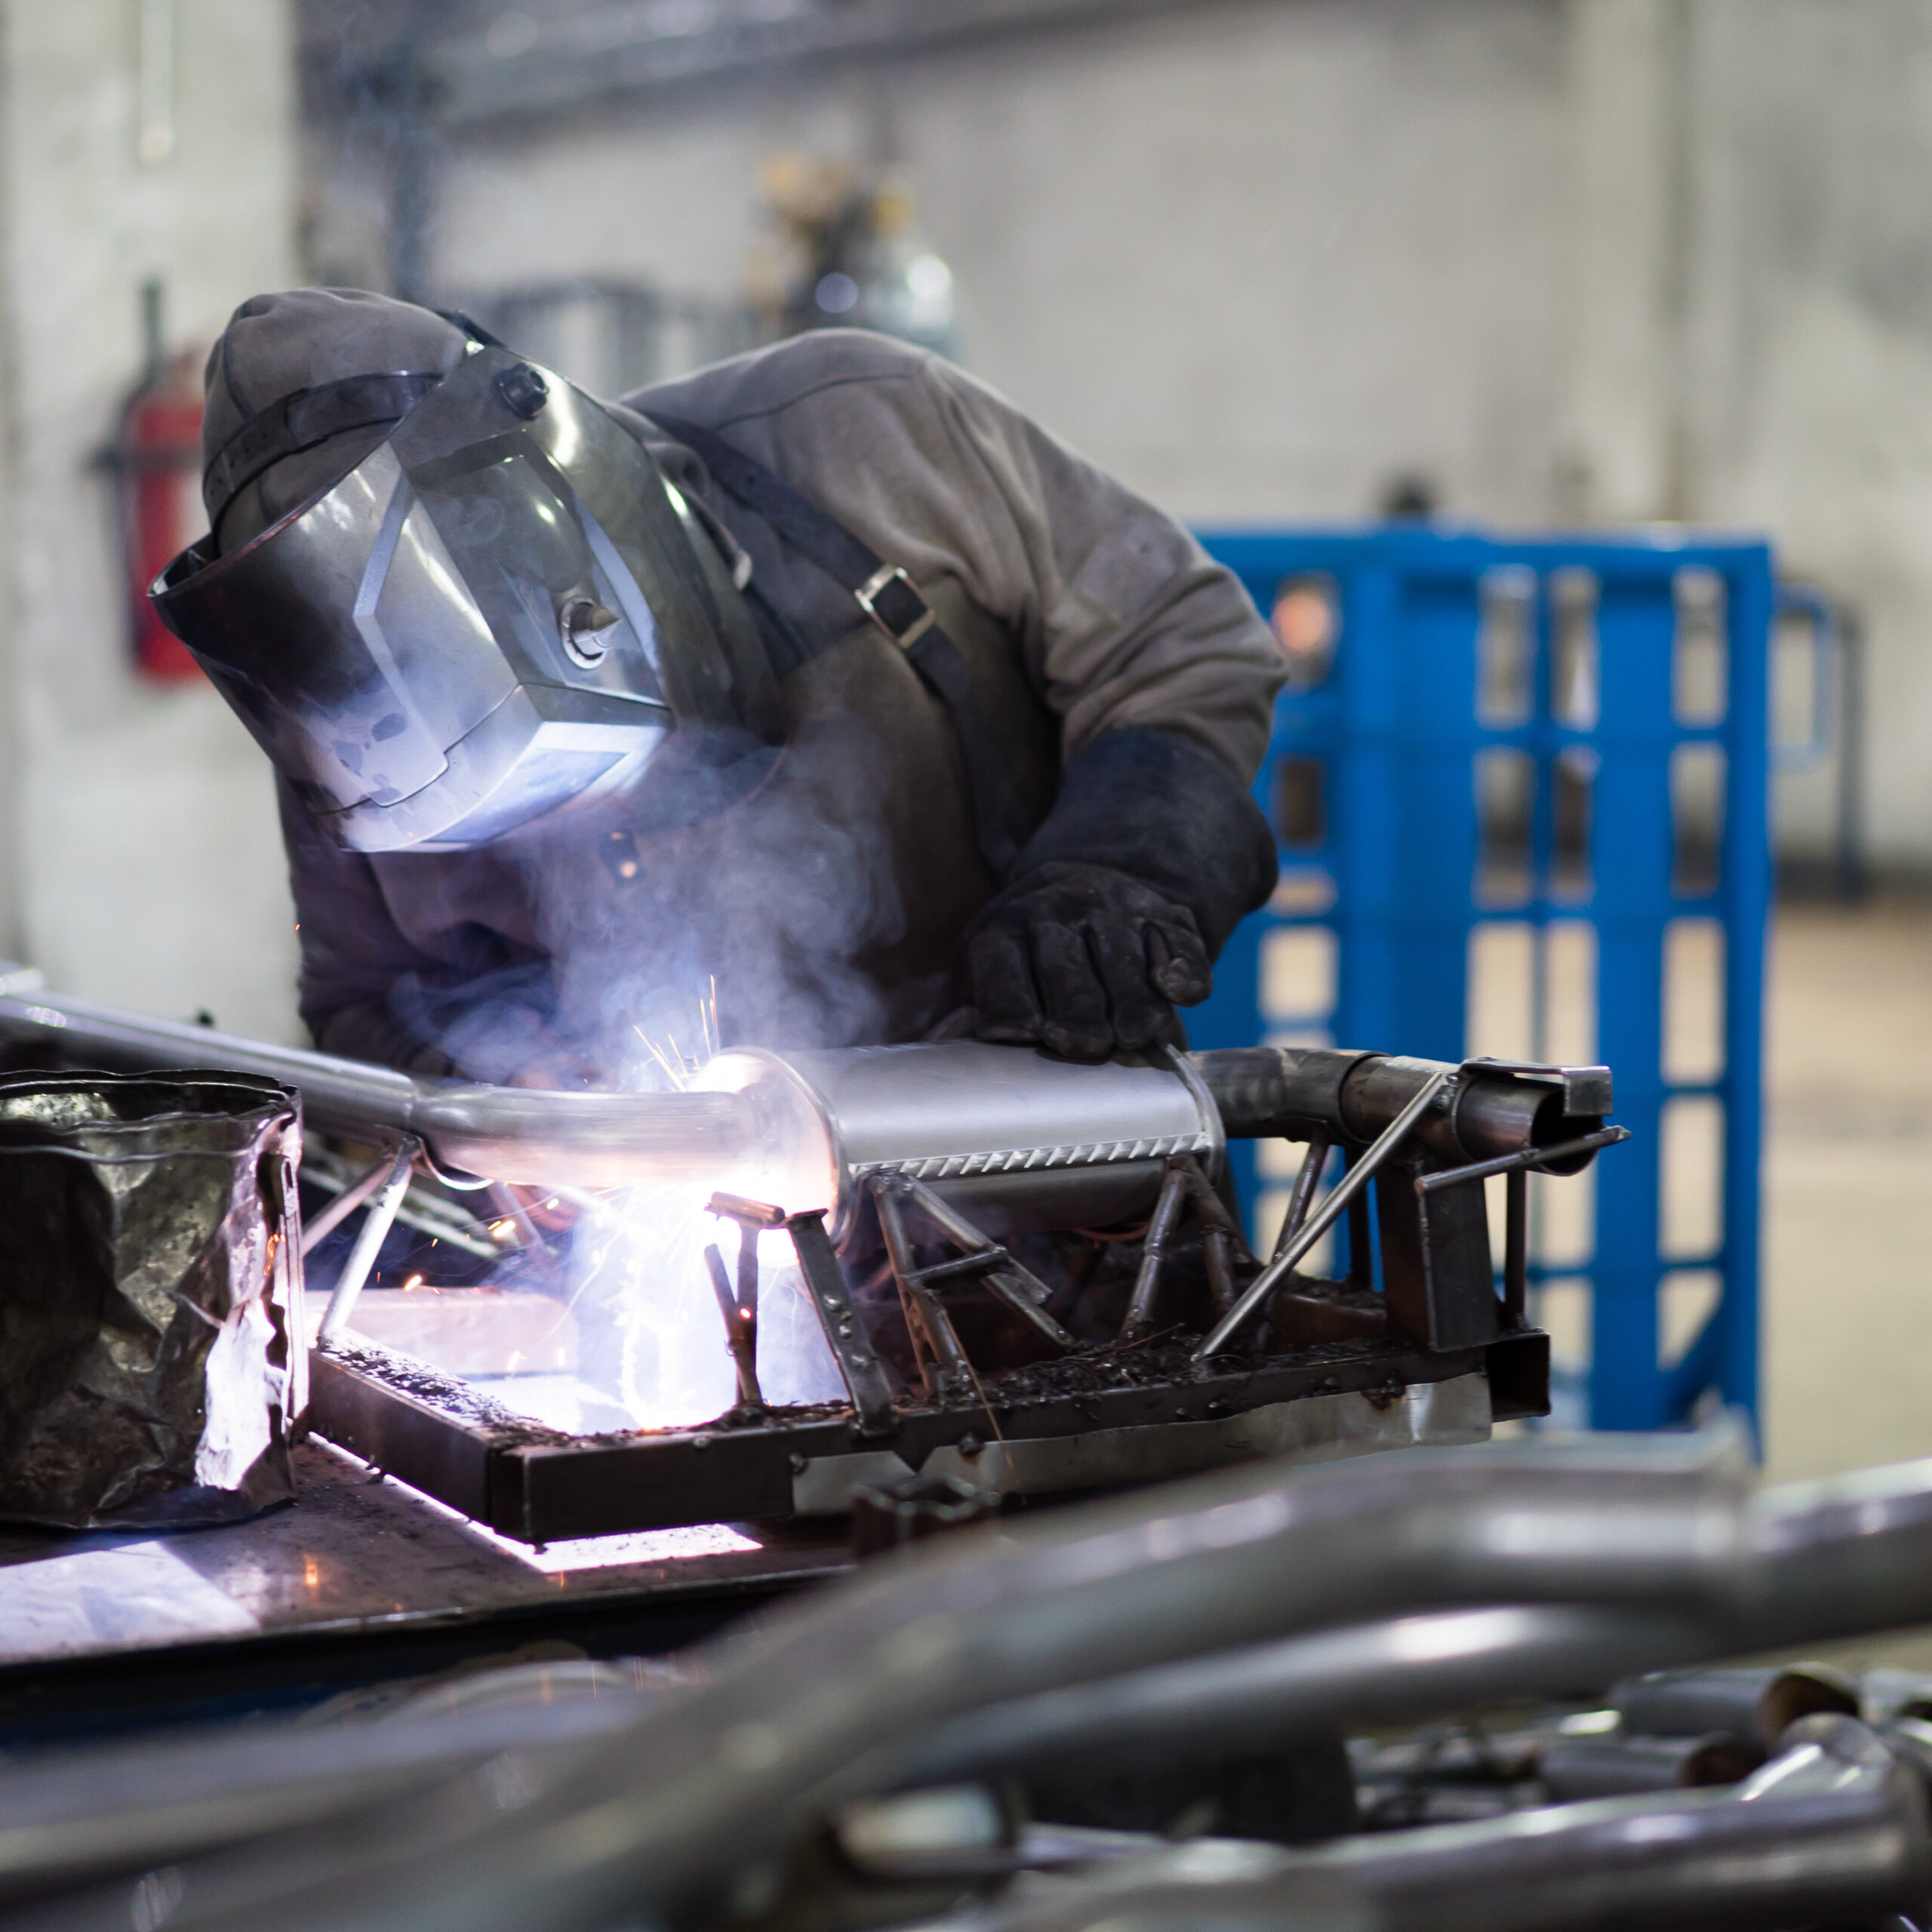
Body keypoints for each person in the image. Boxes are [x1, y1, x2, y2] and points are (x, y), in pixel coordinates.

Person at [154, 289, 1284, 1088]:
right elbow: (361, 1004)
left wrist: (1117, 868)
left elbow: (1183, 640)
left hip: (1073, 1186)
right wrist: (524, 1098)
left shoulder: (864, 426)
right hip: (713, 1286)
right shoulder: (354, 751)